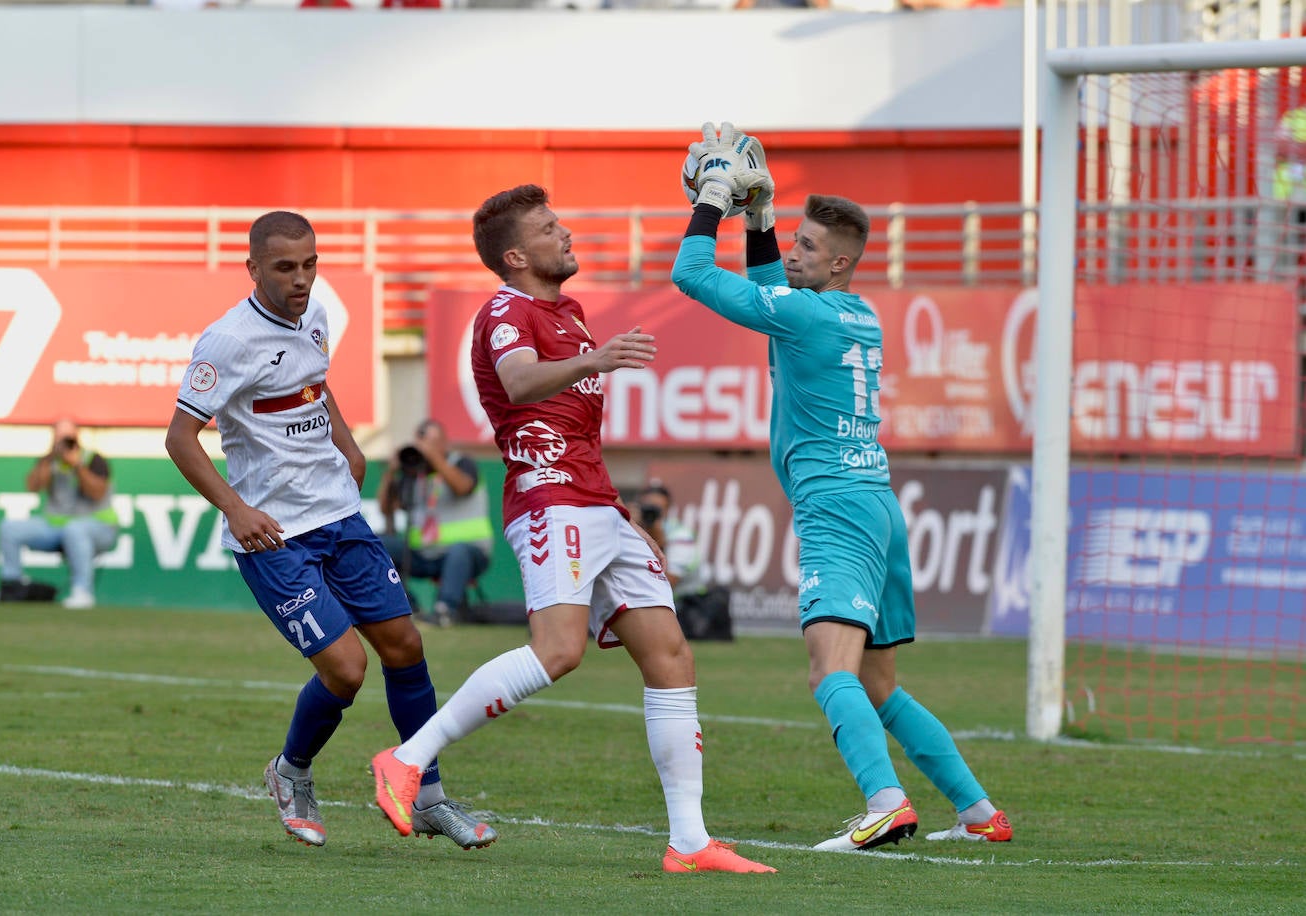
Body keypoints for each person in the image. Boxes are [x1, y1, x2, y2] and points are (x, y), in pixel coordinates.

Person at [369, 185, 775, 875]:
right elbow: (522, 384)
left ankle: (689, 841)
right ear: (517, 254)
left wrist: (619, 514)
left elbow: (577, 429)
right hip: (549, 501)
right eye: (550, 228)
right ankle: (405, 759)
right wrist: (596, 360)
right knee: (558, 652)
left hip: (593, 502)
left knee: (671, 656)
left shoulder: (572, 312)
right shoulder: (505, 310)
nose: (566, 234)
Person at [671, 123, 1011, 850]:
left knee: (829, 670)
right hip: (878, 504)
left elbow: (691, 276)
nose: (794, 253)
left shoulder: (805, 314)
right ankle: (979, 812)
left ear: (841, 263)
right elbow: (774, 299)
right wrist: (758, 221)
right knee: (879, 683)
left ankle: (885, 801)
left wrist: (712, 200)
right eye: (792, 240)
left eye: (808, 249)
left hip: (837, 510)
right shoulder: (852, 312)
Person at [165, 210, 494, 851]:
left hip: (339, 515)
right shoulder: (226, 342)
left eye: (310, 264)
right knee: (346, 670)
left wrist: (348, 445)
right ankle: (290, 773)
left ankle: (426, 796)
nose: (301, 278)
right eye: (285, 267)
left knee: (404, 646)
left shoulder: (314, 314)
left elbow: (315, 382)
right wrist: (235, 508)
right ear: (254, 267)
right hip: (275, 535)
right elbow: (181, 439)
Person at [0, 418, 119, 610]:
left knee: (74, 529)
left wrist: (76, 465)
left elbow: (97, 492)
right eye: (59, 437)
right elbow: (33, 486)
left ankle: (82, 592)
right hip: (56, 528)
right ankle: (9, 588)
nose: (64, 442)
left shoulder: (93, 459)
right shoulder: (50, 460)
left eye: (68, 437)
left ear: (77, 436)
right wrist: (51, 457)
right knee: (9, 528)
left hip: (97, 527)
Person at [377, 417, 492, 627]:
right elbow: (386, 509)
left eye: (431, 443)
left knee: (459, 551)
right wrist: (392, 471)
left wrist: (433, 456)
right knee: (377, 544)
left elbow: (462, 487)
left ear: (444, 442)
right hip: (424, 554)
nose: (424, 449)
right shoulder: (415, 474)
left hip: (467, 553)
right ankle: (406, 606)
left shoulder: (463, 463)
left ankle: (444, 611)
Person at [632, 481, 731, 642]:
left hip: (682, 606)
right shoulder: (629, 531)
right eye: (647, 508)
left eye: (657, 509)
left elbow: (665, 584)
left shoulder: (680, 537)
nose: (651, 514)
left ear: (669, 509)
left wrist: (658, 540)